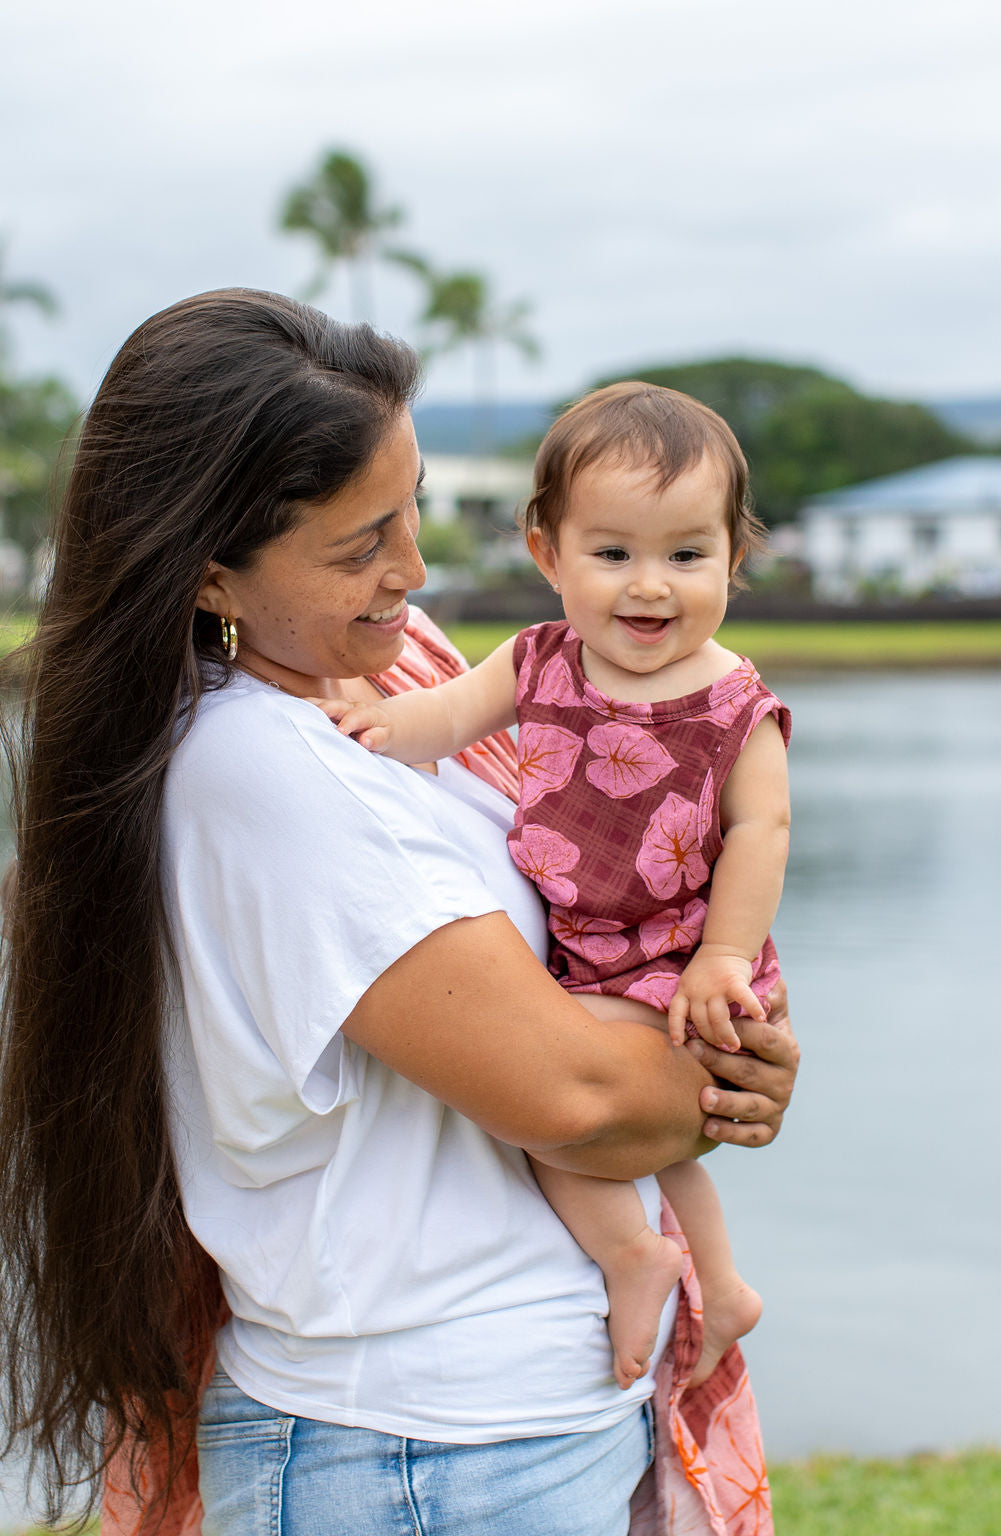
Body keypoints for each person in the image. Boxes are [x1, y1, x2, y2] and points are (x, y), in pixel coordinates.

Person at [0, 290, 799, 1536]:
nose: (415, 571)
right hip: (424, 1445)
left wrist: (721, 1042)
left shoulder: (386, 674)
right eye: (362, 542)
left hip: (501, 1423)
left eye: (411, 505)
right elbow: (573, 1098)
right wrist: (722, 1081)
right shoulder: (266, 769)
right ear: (211, 569)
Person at [326, 382, 790, 1395]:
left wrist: (720, 957)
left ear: (733, 558)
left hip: (682, 950)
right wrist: (361, 721)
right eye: (612, 554)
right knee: (647, 1132)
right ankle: (716, 1277)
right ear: (548, 555)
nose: (649, 587)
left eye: (686, 555)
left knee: (567, 1117)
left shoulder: (734, 705)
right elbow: (436, 721)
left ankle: (637, 1257)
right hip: (586, 941)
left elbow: (762, 830)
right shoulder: (538, 663)